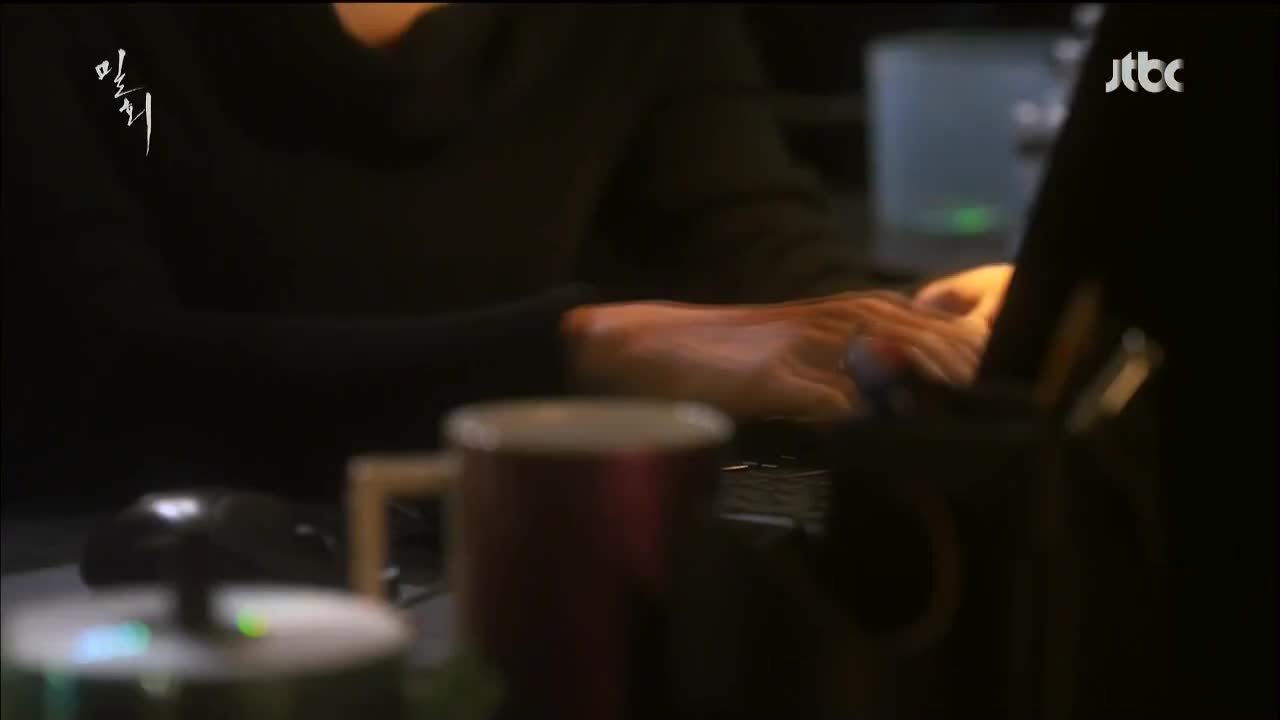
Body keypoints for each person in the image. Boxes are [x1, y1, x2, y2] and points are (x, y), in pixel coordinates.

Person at [1, 4, 1011, 499]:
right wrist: (581, 349)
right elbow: (107, 373)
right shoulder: (98, 40)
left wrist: (910, 335)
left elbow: (763, 260)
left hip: (512, 570)